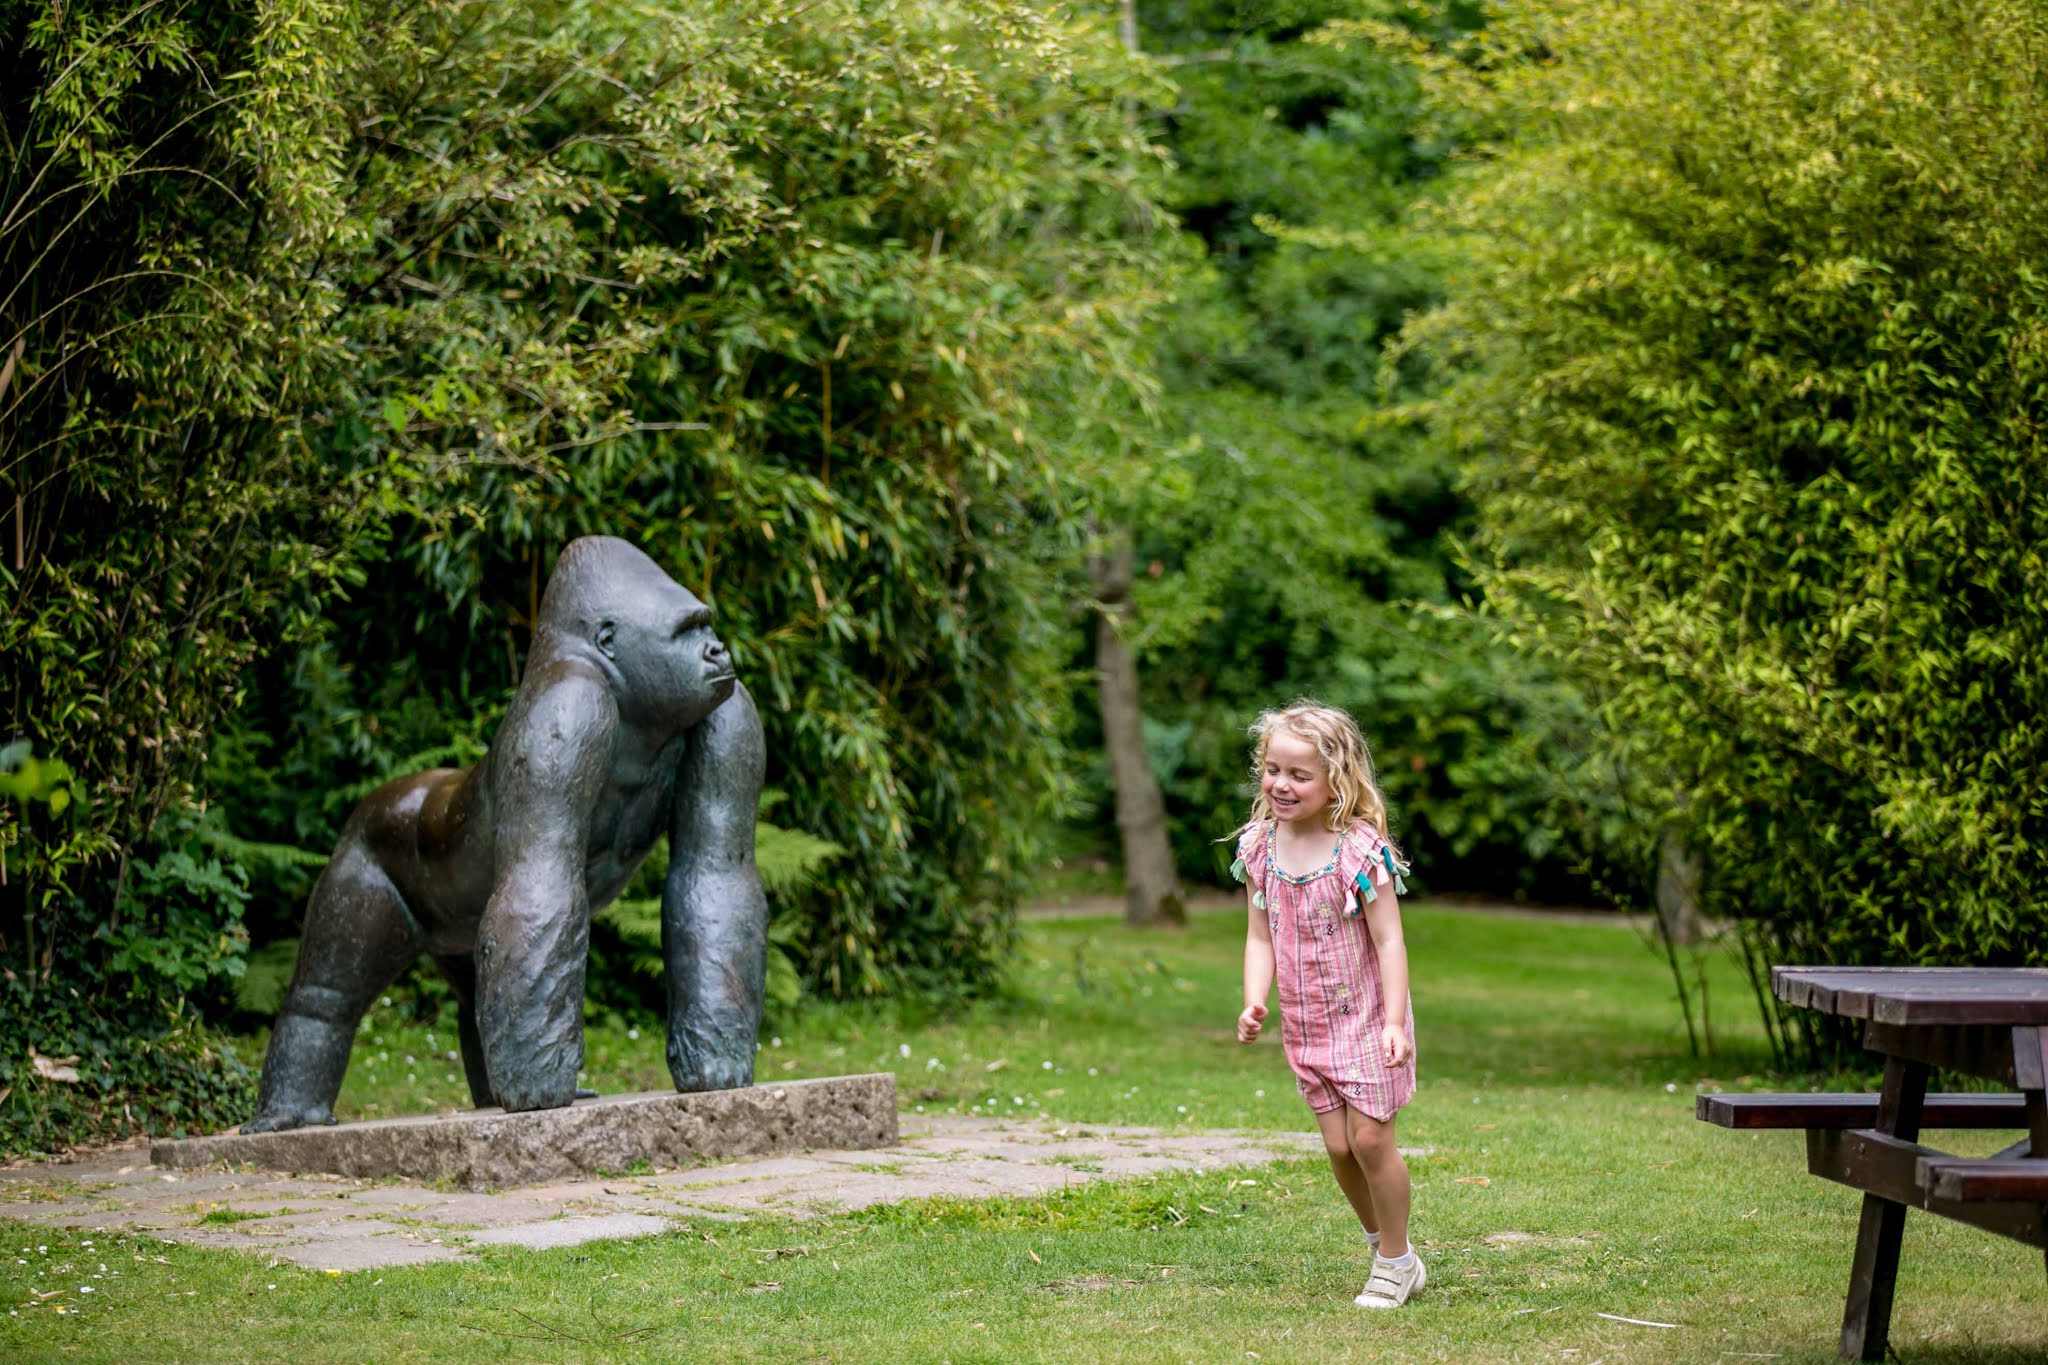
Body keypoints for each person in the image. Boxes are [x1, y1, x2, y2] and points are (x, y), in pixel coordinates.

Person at [1231, 699, 1422, 1309]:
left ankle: (1394, 1261)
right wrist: (1253, 1000)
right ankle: (1387, 1248)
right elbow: (1260, 934)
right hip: (1308, 1020)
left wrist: (1395, 1021)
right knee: (1338, 1146)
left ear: (1336, 778)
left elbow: (1390, 939)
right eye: (1272, 770)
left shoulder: (1358, 853)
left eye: (1298, 774)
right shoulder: (1260, 847)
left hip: (1367, 1016)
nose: (1280, 785)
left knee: (1370, 1141)